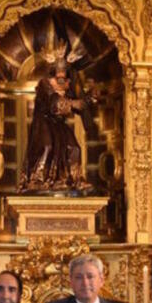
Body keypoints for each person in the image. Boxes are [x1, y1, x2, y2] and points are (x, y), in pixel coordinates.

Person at [19, 43, 93, 193]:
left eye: (63, 70)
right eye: (58, 70)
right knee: (47, 146)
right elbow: (54, 103)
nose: (61, 74)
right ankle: (37, 179)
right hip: (43, 121)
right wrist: (73, 103)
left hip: (59, 124)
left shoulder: (68, 85)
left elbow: (78, 105)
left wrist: (90, 98)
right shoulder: (45, 84)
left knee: (74, 148)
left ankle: (74, 179)